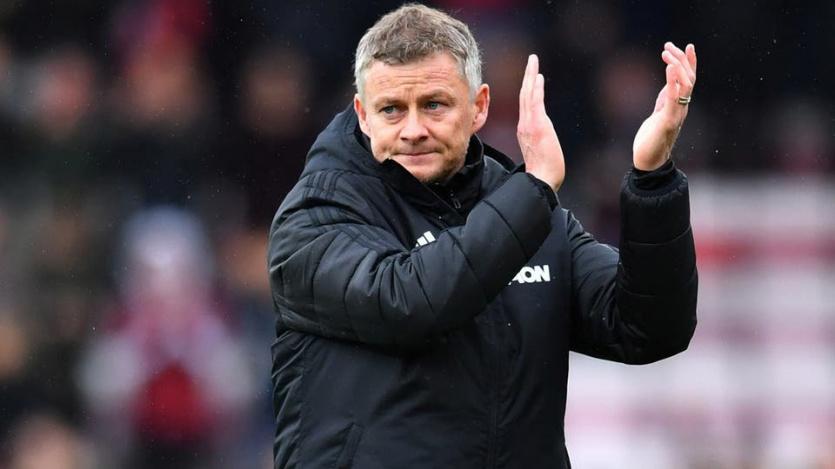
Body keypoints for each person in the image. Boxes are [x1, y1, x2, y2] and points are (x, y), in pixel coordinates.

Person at [267, 4, 698, 468]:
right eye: (391, 110)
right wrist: (533, 192)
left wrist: (653, 178)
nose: (413, 130)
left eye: (434, 105)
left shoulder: (525, 209)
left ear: (479, 107)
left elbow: (649, 329)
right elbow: (411, 301)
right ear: (363, 114)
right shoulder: (315, 216)